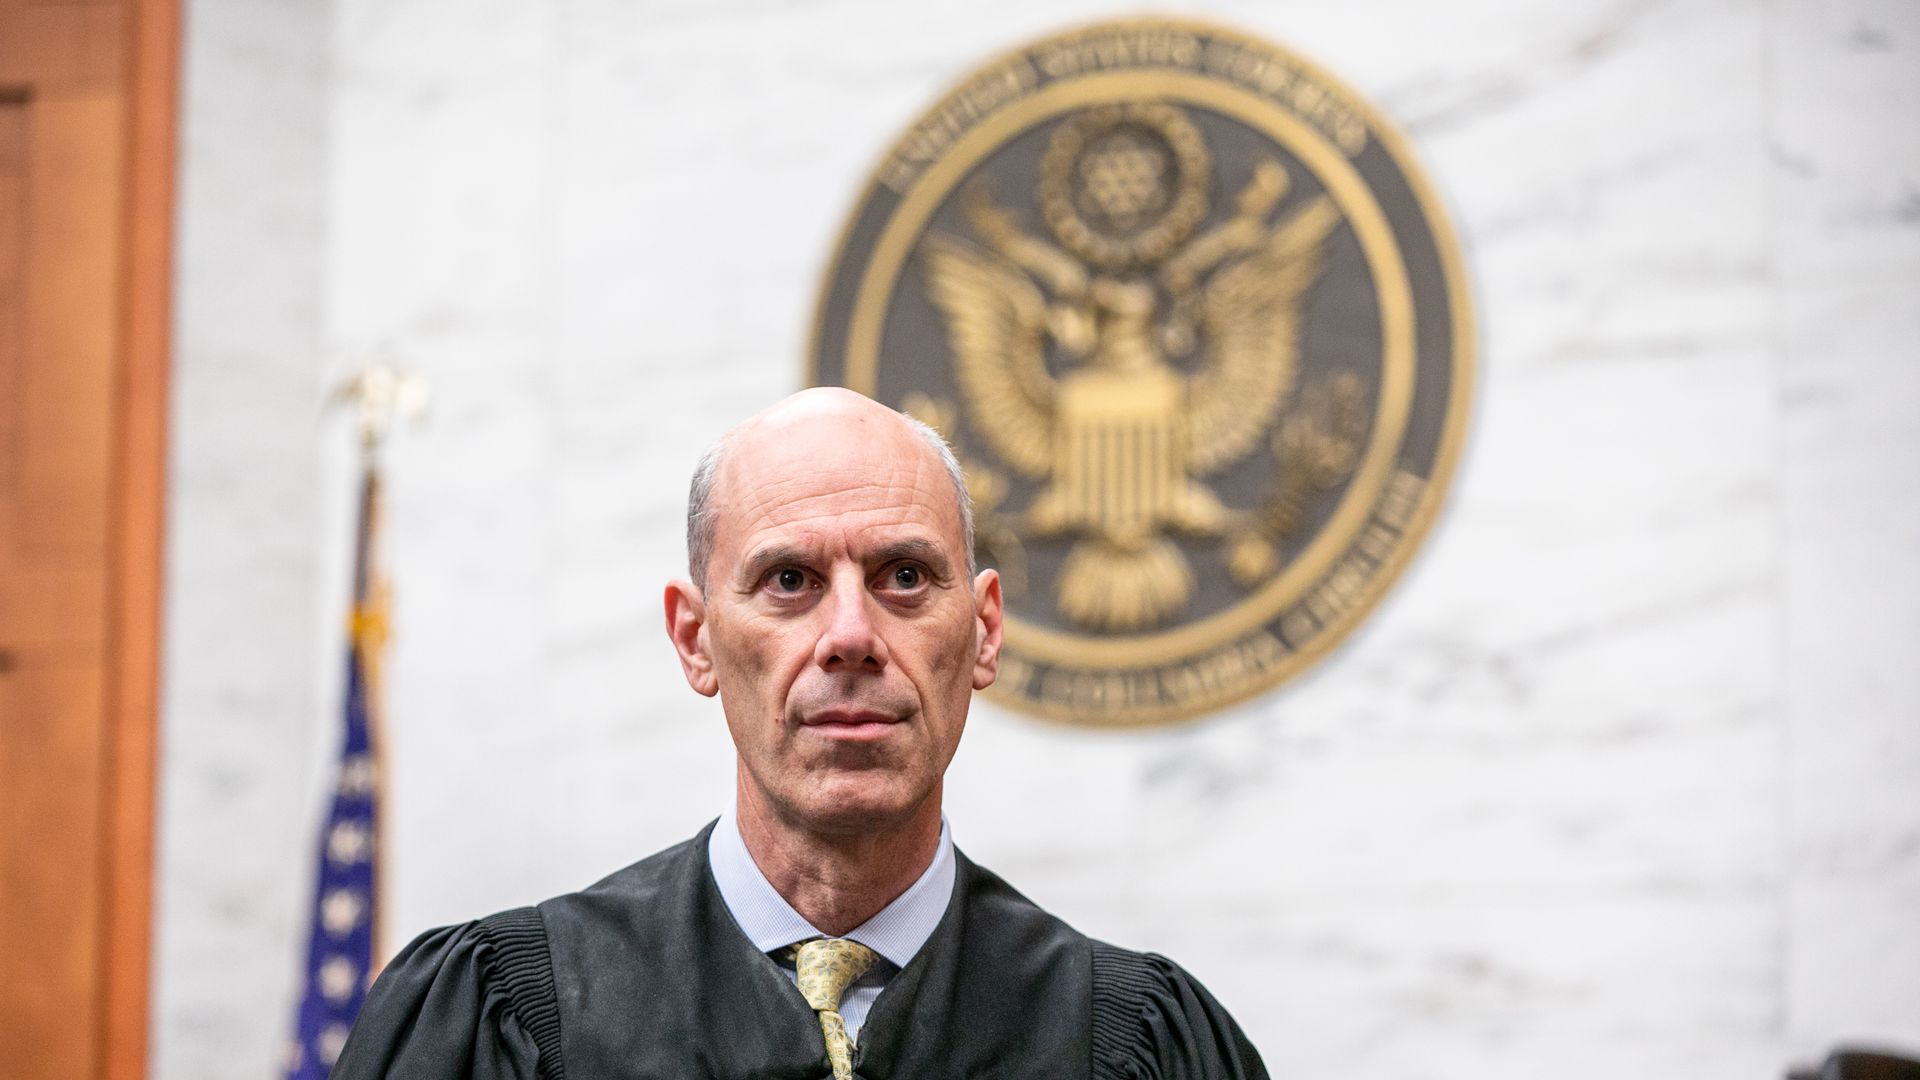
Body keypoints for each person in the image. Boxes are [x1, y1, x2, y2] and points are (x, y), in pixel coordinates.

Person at [332, 388, 1269, 1079]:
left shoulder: (1137, 1044)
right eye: (789, 582)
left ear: (983, 630)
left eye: (905, 576)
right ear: (696, 640)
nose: (852, 636)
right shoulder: (505, 1027)